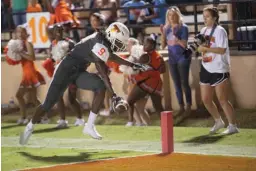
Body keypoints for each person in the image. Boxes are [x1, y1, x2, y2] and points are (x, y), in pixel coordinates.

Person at [19, 22, 150, 145]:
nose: (120, 45)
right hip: (65, 71)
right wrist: (114, 95)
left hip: (78, 71)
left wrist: (133, 64)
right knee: (47, 104)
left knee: (100, 86)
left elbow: (112, 56)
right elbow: (103, 72)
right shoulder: (99, 43)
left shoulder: (104, 41)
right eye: (119, 41)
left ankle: (89, 126)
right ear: (111, 35)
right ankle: (29, 127)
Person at [197, 7, 239, 135]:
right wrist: (200, 49)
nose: (205, 19)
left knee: (222, 99)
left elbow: (222, 50)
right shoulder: (203, 30)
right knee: (206, 99)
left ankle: (233, 126)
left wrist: (206, 48)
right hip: (206, 66)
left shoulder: (220, 31)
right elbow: (202, 47)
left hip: (219, 68)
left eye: (208, 16)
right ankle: (218, 121)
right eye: (204, 16)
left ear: (215, 18)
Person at [42, 24, 84, 128]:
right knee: (58, 96)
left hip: (71, 72)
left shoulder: (70, 43)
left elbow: (78, 57)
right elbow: (52, 58)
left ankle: (80, 119)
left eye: (60, 30)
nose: (58, 32)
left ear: (63, 31)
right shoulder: (52, 44)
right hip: (59, 73)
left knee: (71, 98)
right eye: (55, 30)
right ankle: (62, 120)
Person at [5, 25, 45, 125]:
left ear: (25, 33)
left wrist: (20, 52)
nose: (19, 34)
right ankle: (40, 116)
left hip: (30, 72)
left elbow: (32, 57)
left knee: (20, 95)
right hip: (26, 72)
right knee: (33, 98)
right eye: (18, 32)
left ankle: (28, 117)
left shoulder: (28, 42)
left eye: (22, 32)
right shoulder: (20, 44)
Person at [123, 35, 165, 126]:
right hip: (157, 84)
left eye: (146, 44)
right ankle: (167, 126)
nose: (144, 46)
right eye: (144, 44)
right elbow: (163, 70)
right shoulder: (159, 56)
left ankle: (130, 122)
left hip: (145, 83)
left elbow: (134, 69)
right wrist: (153, 70)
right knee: (158, 107)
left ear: (152, 46)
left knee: (129, 101)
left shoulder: (144, 57)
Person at [161, 6, 192, 118]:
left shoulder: (183, 27)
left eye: (174, 15)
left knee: (184, 82)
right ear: (167, 17)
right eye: (169, 15)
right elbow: (163, 45)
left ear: (178, 15)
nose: (172, 17)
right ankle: (181, 107)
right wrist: (163, 35)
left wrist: (176, 37)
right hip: (172, 58)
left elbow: (184, 45)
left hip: (183, 57)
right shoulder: (166, 28)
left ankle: (189, 106)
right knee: (176, 84)